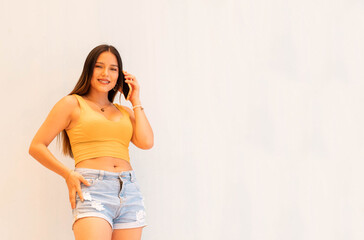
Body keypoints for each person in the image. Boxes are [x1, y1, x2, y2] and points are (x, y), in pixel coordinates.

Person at [28, 44, 154, 240]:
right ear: (89, 69)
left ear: (119, 75)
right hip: (93, 187)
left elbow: (146, 142)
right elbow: (36, 146)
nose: (106, 73)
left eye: (113, 69)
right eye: (99, 66)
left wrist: (135, 100)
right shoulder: (72, 104)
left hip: (129, 191)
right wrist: (67, 174)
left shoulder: (125, 111)